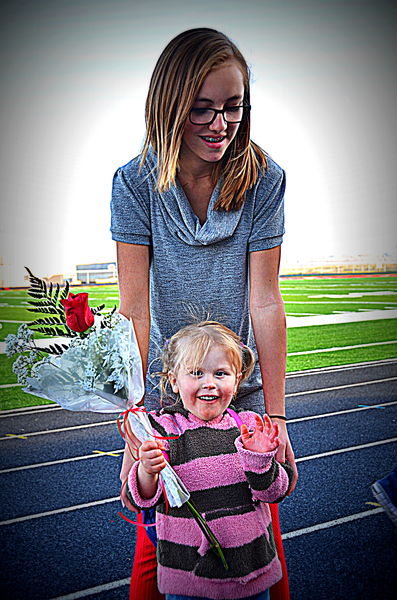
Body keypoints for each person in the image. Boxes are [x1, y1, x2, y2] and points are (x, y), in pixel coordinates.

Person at [110, 27, 298, 600]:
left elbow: (265, 299)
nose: (222, 125)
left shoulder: (263, 178)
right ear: (169, 107)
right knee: (159, 543)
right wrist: (135, 415)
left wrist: (277, 415)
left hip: (235, 391)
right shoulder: (134, 183)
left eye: (234, 108)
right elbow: (135, 310)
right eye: (203, 109)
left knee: (259, 533)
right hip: (171, 392)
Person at [127, 321, 294, 600]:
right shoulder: (161, 431)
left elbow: (275, 493)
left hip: (252, 575)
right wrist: (147, 470)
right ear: (173, 380)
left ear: (237, 379)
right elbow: (143, 499)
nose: (209, 383)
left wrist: (261, 461)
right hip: (188, 580)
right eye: (196, 373)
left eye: (220, 373)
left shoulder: (250, 426)